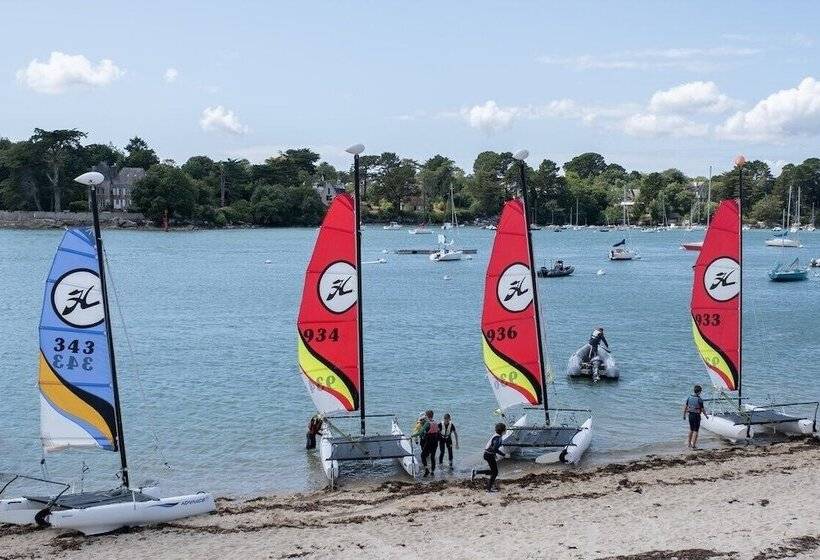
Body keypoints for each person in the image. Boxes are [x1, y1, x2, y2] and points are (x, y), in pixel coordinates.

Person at [471, 423, 507, 492]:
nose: (506, 429)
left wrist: (494, 455)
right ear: (503, 431)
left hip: (488, 455)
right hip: (488, 455)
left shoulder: (497, 436)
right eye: (505, 428)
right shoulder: (498, 438)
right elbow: (495, 449)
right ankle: (489, 489)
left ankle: (476, 472)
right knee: (495, 472)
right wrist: (504, 455)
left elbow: (491, 447)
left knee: (493, 471)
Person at [414, 410, 439, 477]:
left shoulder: (427, 423)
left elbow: (420, 433)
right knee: (432, 457)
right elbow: (438, 432)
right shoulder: (436, 423)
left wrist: (412, 436)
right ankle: (432, 472)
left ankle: (427, 470)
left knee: (422, 456)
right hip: (435, 442)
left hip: (429, 441)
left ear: (427, 416)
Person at [683, 385, 709, 449]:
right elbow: (702, 409)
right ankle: (693, 445)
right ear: (699, 392)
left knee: (691, 429)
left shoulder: (689, 398)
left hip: (690, 415)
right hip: (696, 416)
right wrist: (706, 416)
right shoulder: (699, 399)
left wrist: (684, 415)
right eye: (700, 391)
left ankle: (689, 444)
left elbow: (685, 407)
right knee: (696, 431)